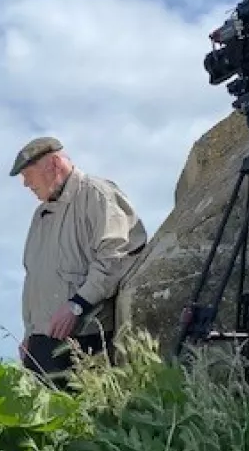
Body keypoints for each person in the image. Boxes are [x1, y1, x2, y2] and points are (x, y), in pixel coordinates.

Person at [10, 136, 148, 389]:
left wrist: (77, 305)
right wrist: (30, 333)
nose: (25, 183)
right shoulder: (41, 214)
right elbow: (35, 277)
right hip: (41, 344)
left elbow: (114, 256)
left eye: (28, 173)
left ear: (53, 164)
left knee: (80, 421)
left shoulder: (97, 194)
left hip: (82, 340)